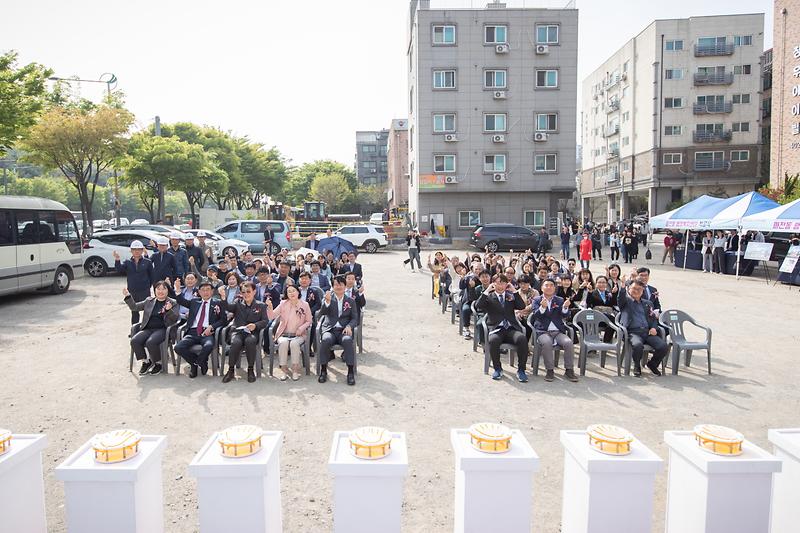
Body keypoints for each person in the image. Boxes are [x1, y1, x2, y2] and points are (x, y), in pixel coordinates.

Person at [475, 274, 530, 382]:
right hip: (497, 328)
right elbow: (478, 305)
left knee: (522, 339)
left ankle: (521, 370)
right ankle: (498, 368)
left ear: (507, 284)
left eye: (503, 283)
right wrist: (486, 291)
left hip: (510, 329)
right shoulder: (489, 297)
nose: (500, 286)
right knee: (493, 340)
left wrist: (514, 291)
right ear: (493, 283)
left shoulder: (511, 295)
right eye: (498, 283)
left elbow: (521, 306)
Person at [172, 279, 227, 377]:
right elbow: (181, 301)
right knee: (178, 347)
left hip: (207, 332)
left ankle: (197, 363)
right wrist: (177, 289)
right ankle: (196, 363)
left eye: (208, 290)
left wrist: (212, 327)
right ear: (199, 292)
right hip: (192, 332)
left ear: (212, 291)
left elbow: (223, 320)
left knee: (209, 345)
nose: (205, 292)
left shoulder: (217, 303)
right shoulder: (194, 302)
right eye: (203, 290)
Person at [124, 281, 179, 375]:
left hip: (163, 329)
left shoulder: (172, 302)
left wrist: (169, 310)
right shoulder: (149, 301)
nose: (161, 291)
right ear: (154, 290)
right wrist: (128, 296)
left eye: (163, 289)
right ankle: (146, 361)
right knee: (135, 340)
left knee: (151, 342)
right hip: (148, 329)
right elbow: (134, 307)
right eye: (158, 289)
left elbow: (175, 319)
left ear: (167, 291)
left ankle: (158, 363)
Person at [218, 281, 269, 383]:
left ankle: (250, 369)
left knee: (250, 341)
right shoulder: (237, 303)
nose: (246, 294)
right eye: (243, 292)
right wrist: (223, 297)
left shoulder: (261, 305)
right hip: (237, 331)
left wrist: (255, 325)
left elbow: (265, 321)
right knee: (235, 343)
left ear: (254, 292)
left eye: (248, 291)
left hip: (252, 332)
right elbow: (227, 307)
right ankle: (231, 370)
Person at [617, 280, 668, 376]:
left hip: (647, 332)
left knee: (663, 346)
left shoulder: (648, 304)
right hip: (632, 332)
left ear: (643, 291)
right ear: (629, 289)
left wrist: (654, 328)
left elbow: (653, 319)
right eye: (634, 289)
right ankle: (637, 365)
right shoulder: (625, 302)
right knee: (637, 345)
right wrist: (622, 288)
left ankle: (652, 364)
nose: (636, 291)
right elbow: (621, 298)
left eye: (639, 289)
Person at [531, 280, 579, 382]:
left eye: (551, 285)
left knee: (568, 342)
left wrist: (566, 307)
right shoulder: (536, 299)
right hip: (542, 331)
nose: (549, 287)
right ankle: (550, 370)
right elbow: (536, 315)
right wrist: (542, 307)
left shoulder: (559, 300)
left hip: (557, 331)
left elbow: (565, 315)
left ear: (555, 288)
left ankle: (569, 370)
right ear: (542, 288)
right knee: (547, 343)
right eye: (546, 285)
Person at [317, 276, 359, 386]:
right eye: (336, 284)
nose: (338, 287)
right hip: (330, 329)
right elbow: (322, 313)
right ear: (333, 286)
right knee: (325, 340)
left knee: (348, 340)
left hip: (344, 330)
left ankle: (350, 372)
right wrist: (326, 302)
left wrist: (349, 326)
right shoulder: (328, 297)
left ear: (345, 286)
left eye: (341, 284)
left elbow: (355, 318)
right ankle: (323, 370)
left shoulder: (350, 301)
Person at [267, 284, 312, 381]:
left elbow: (309, 321)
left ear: (298, 292)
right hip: (284, 334)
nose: (291, 293)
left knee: (294, 344)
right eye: (289, 291)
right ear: (286, 294)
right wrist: (270, 307)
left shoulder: (305, 305)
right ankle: (284, 370)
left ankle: (295, 370)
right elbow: (271, 316)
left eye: (293, 290)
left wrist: (302, 328)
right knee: (283, 343)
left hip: (298, 335)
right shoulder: (283, 304)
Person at [113, 241, 153, 324]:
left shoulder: (147, 262)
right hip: (132, 291)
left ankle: (146, 328)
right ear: (131, 251)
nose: (137, 251)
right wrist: (117, 260)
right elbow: (119, 270)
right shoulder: (128, 262)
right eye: (134, 249)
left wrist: (147, 286)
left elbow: (152, 276)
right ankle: (134, 330)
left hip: (144, 291)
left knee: (147, 311)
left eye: (139, 249)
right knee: (134, 311)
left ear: (142, 250)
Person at [586, 275, 618, 343]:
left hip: (607, 319)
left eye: (603, 282)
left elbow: (614, 304)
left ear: (606, 284)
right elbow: (588, 303)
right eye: (599, 282)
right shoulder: (593, 293)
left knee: (612, 324)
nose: (601, 284)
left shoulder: (609, 293)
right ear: (596, 284)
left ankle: (606, 342)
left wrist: (614, 294)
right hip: (596, 317)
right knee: (614, 320)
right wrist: (589, 292)